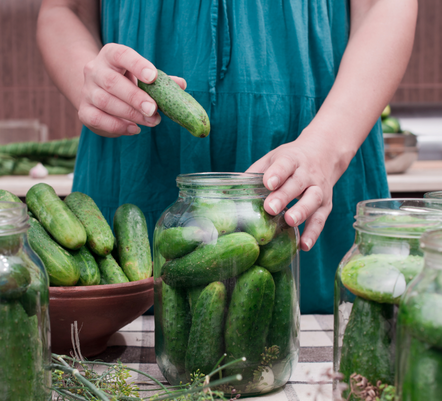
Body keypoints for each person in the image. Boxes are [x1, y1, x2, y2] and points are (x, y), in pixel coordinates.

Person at [37, 0, 417, 313]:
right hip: (135, 159)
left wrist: (328, 145)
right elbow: (63, 10)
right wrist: (87, 80)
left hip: (318, 149)